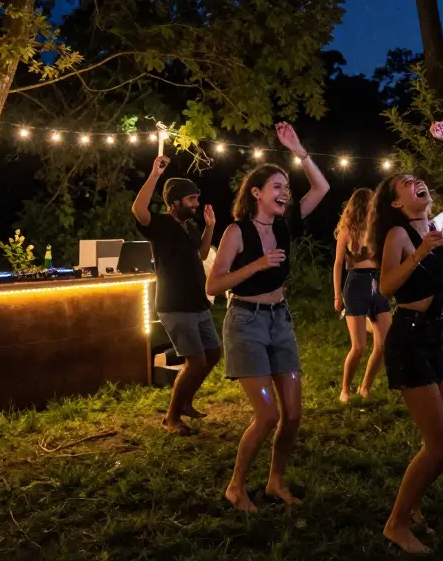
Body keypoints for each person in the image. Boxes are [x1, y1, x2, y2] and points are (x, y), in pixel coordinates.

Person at [206, 122, 329, 512]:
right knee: (267, 414)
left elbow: (322, 188)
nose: (284, 192)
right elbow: (214, 285)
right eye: (277, 186)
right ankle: (236, 486)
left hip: (280, 320)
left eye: (285, 187)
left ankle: (275, 481)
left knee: (292, 414)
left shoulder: (285, 224)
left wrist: (298, 149)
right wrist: (258, 264)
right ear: (256, 193)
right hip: (246, 323)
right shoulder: (236, 232)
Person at [372, 121, 443, 554]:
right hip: (408, 339)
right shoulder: (400, 234)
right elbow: (385, 288)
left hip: (435, 338)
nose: (416, 183)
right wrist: (418, 254)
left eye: (417, 180)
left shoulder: (437, 223)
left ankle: (413, 504)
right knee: (438, 443)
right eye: (405, 184)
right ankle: (397, 523)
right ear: (396, 203)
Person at [132, 157, 216, 436]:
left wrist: (210, 227)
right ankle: (171, 418)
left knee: (213, 354)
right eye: (191, 199)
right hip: (175, 304)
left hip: (197, 302)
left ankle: (186, 401)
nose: (195, 204)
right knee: (196, 362)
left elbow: (202, 254)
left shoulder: (189, 227)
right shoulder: (161, 225)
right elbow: (138, 209)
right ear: (176, 201)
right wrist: (155, 174)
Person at [333, 187, 392, 403]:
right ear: (361, 206)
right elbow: (338, 264)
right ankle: (345, 388)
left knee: (384, 344)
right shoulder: (347, 231)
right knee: (358, 347)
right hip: (356, 283)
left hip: (377, 283)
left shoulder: (378, 230)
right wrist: (337, 296)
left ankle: (365, 386)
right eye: (371, 204)